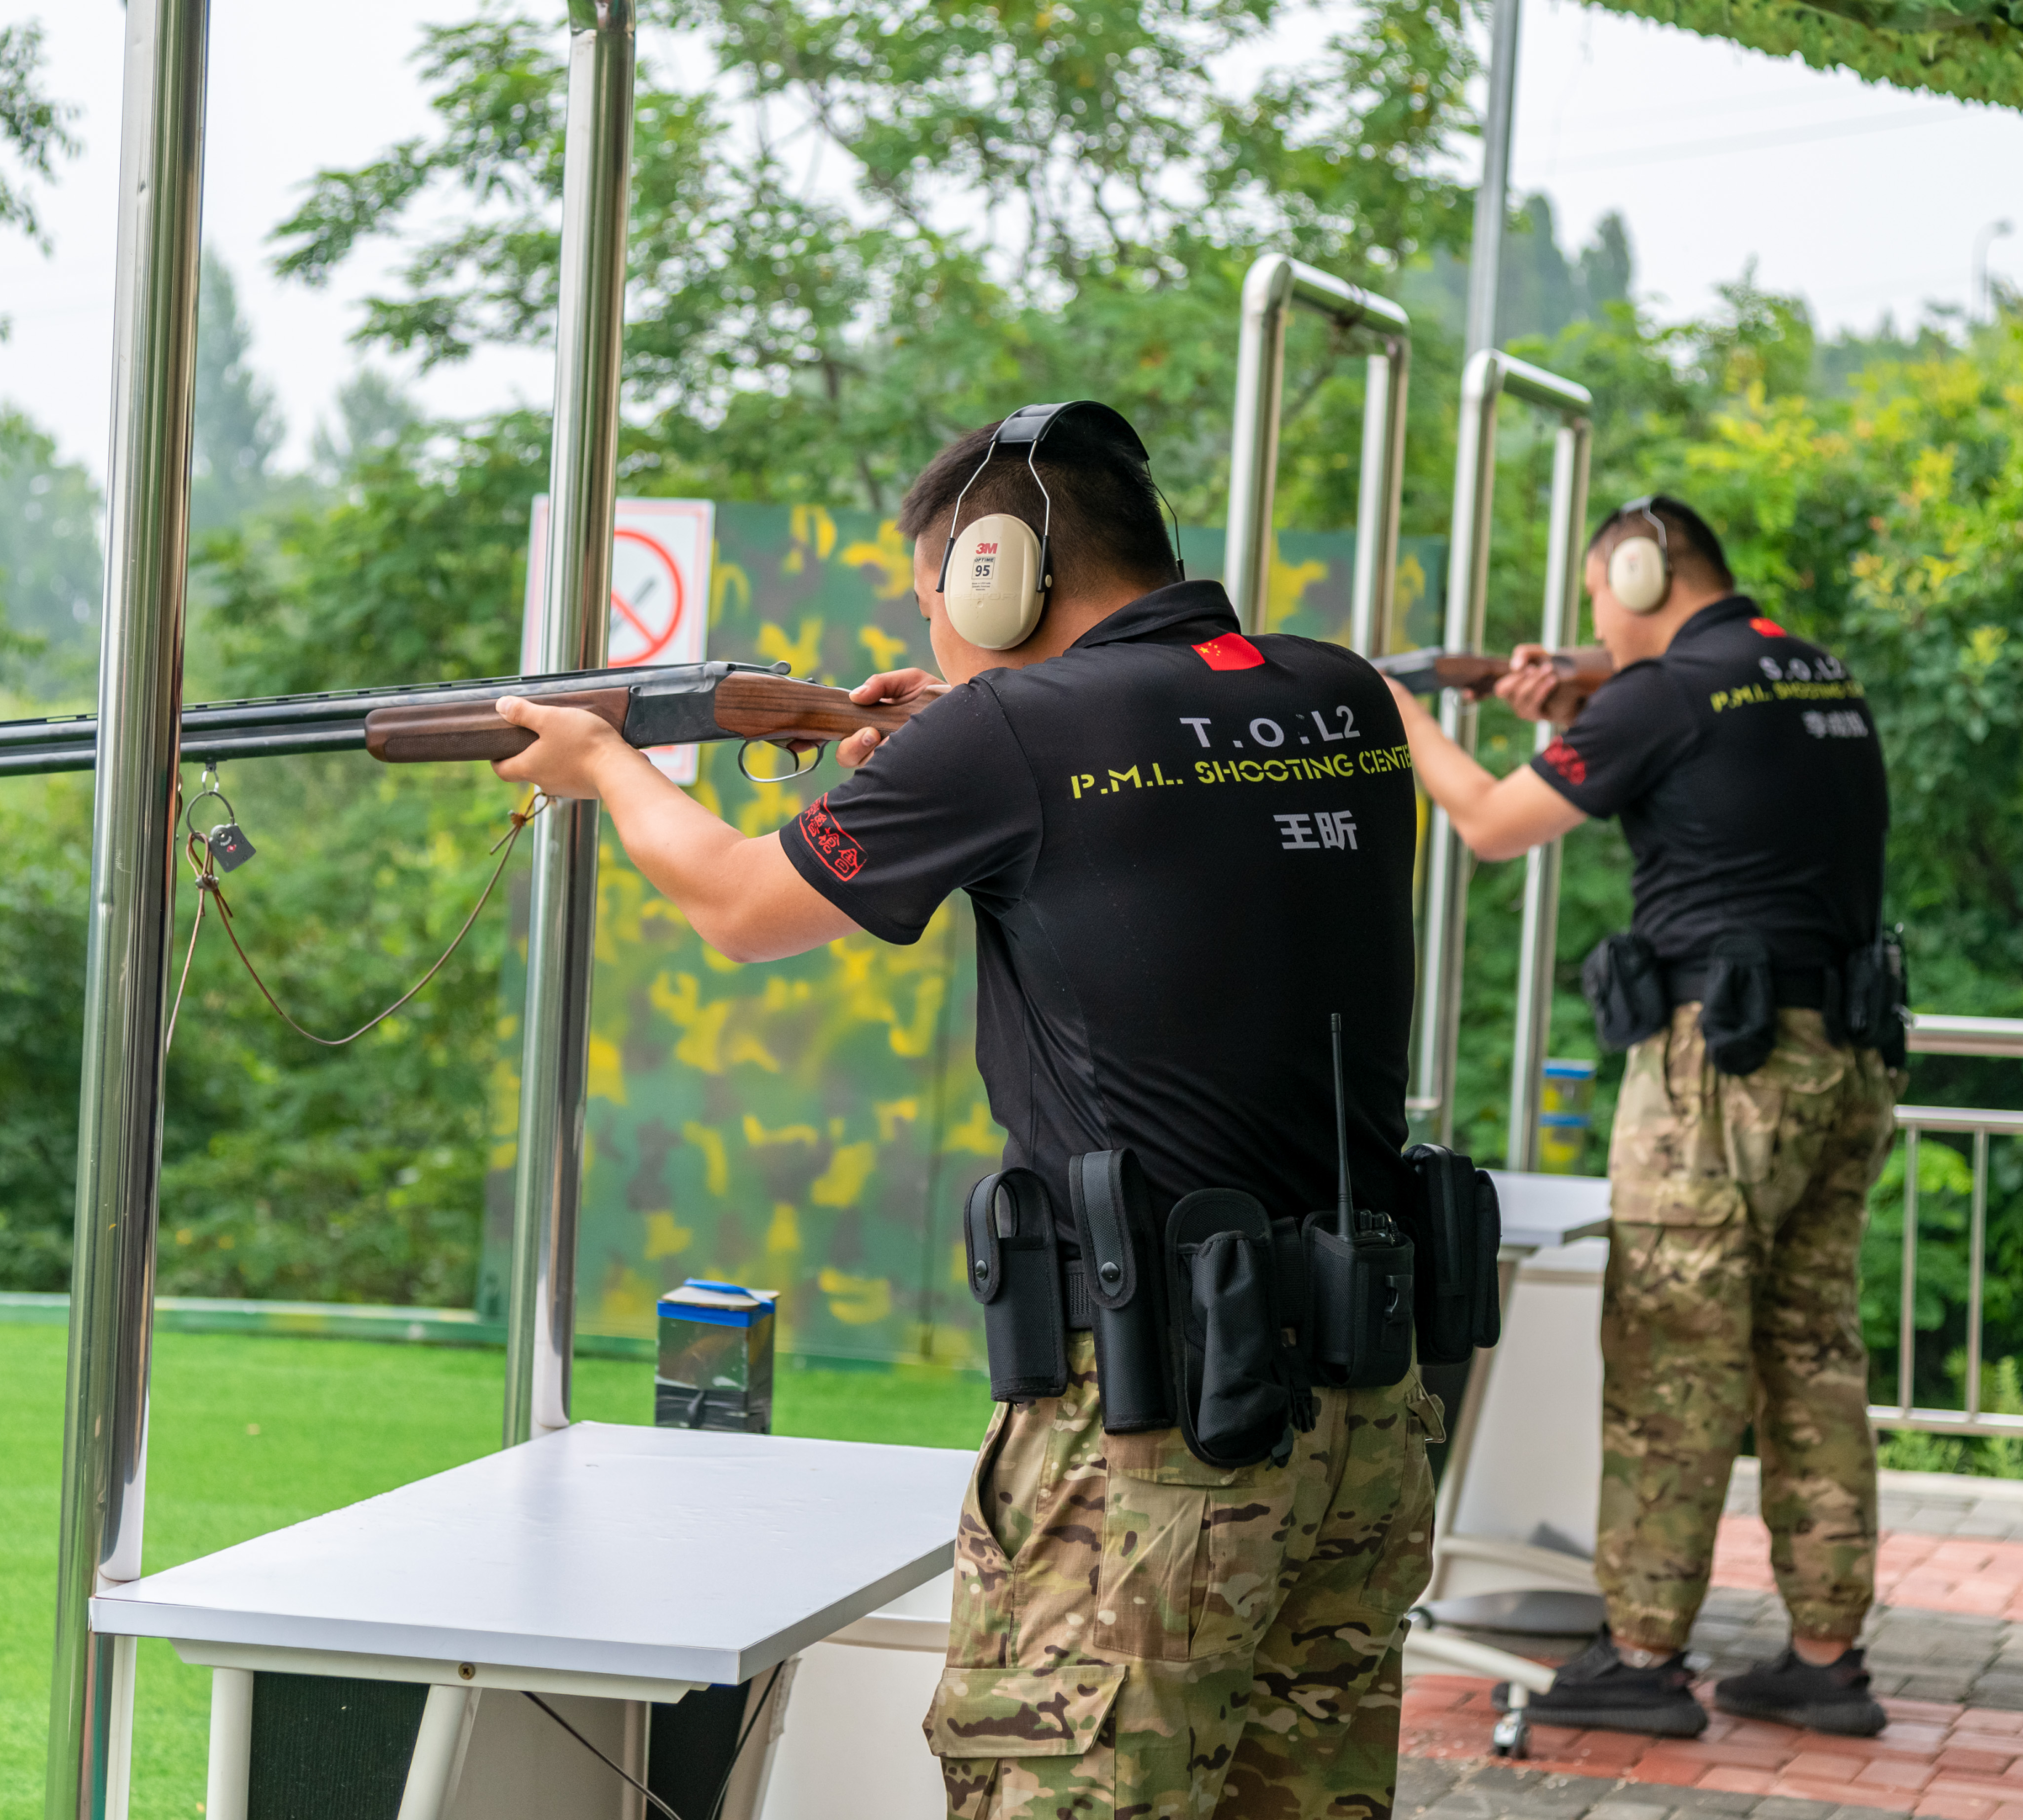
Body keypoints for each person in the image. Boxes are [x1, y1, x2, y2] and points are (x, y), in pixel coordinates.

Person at [491, 401, 1443, 1819]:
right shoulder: (1340, 693)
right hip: (1364, 1401)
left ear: (999, 571)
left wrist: (604, 766)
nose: (932, 623)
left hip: (1158, 1424)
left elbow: (740, 909)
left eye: (933, 589)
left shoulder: (1013, 730)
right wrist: (963, 738)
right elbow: (1165, 781)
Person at [1383, 495, 1900, 1740]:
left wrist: (1403, 722)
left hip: (1718, 1070)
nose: (1589, 622)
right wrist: (1579, 703)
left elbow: (1494, 825)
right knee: (1809, 1351)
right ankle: (1825, 1656)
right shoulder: (1804, 667)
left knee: (1674, 1356)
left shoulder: (1663, 693)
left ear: (1640, 568)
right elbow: (1723, 784)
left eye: (1597, 597)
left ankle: (1642, 1656)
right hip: (1845, 1051)